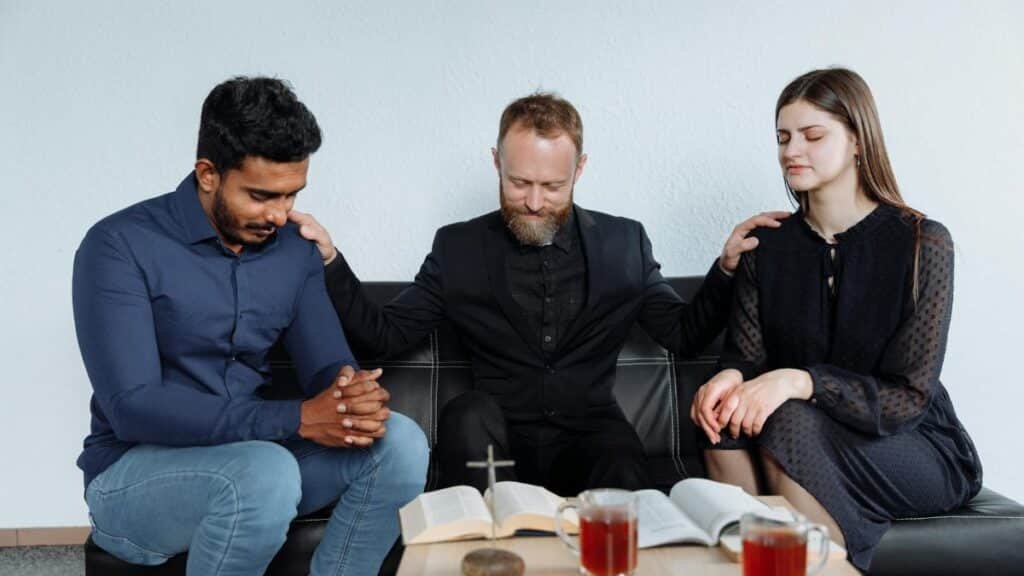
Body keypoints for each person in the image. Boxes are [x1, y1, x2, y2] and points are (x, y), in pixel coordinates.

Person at [291, 92, 785, 496]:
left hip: (591, 436)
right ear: (495, 163)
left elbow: (683, 334)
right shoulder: (457, 245)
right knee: (467, 412)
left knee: (625, 472)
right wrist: (332, 261)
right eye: (518, 182)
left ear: (580, 170)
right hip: (495, 441)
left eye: (551, 186)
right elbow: (384, 336)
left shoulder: (623, 243)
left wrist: (724, 270)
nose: (532, 201)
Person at [73, 76, 429, 576]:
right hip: (135, 474)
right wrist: (298, 419)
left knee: (401, 443)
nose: (279, 215)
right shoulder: (118, 245)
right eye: (262, 196)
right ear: (207, 174)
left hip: (258, 460)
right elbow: (134, 407)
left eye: (291, 195)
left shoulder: (293, 250)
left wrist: (349, 395)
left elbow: (325, 360)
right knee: (265, 472)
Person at [690, 68, 982, 571]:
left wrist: (800, 380)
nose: (790, 151)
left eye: (812, 135)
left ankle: (820, 564)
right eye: (783, 137)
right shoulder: (770, 247)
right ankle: (758, 562)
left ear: (857, 142)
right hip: (810, 433)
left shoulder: (922, 243)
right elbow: (746, 355)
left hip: (910, 443)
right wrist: (729, 377)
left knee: (789, 419)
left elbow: (908, 396)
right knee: (722, 418)